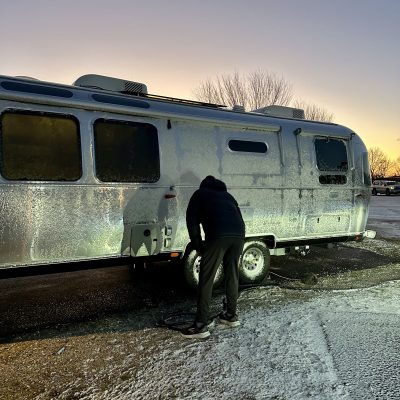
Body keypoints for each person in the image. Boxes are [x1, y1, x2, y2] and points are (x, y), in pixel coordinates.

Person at [181, 175, 245, 339]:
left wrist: (198, 245)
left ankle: (200, 325)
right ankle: (231, 316)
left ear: (204, 185)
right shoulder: (228, 196)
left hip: (217, 236)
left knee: (207, 278)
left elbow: (191, 220)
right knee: (232, 276)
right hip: (238, 236)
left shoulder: (199, 194)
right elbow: (240, 218)